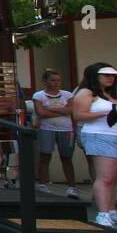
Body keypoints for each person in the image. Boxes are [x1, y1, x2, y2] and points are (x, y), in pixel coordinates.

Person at [71, 62, 117, 228]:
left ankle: (111, 210)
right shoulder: (86, 92)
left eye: (112, 75)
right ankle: (103, 214)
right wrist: (106, 112)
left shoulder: (113, 93)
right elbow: (78, 115)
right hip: (101, 136)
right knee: (105, 177)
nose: (110, 78)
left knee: (112, 178)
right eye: (106, 75)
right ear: (95, 76)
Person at [33, 68, 80, 198]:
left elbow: (72, 110)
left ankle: (72, 187)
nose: (56, 83)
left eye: (58, 80)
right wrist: (62, 110)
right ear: (45, 81)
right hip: (47, 128)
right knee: (45, 156)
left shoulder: (67, 95)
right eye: (53, 80)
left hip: (66, 128)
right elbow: (40, 113)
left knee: (66, 158)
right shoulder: (39, 95)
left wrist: (51, 109)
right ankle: (43, 184)